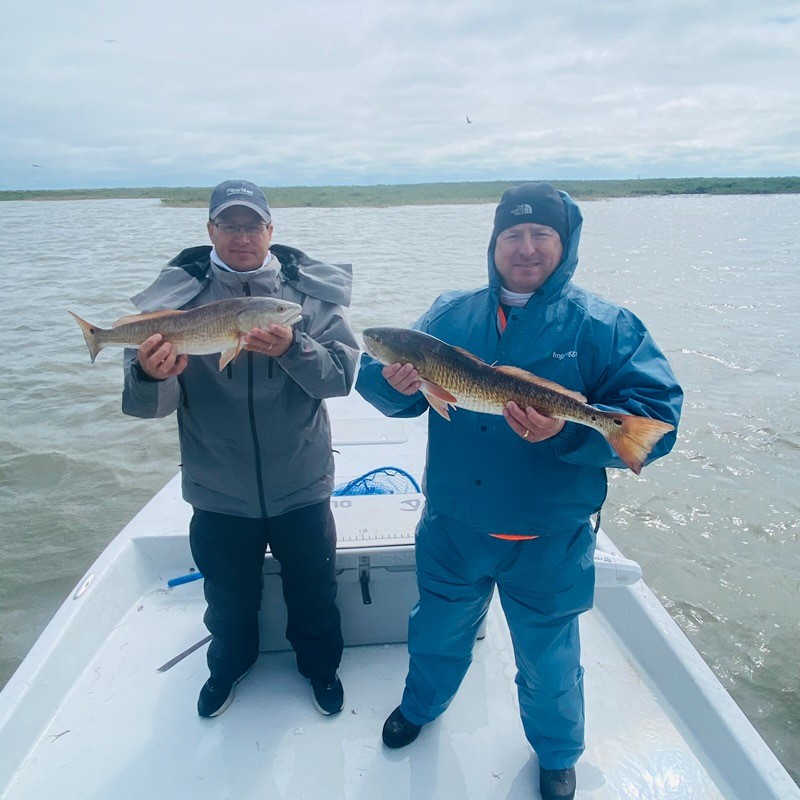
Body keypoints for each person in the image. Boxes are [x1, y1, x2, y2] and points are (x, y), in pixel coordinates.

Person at [356, 182, 682, 800]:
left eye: (541, 235)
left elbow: (656, 422)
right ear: (494, 243)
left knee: (550, 661)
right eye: (513, 234)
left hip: (550, 539)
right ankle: (421, 708)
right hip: (454, 526)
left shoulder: (606, 325)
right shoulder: (448, 315)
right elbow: (383, 387)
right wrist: (394, 385)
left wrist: (567, 433)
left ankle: (558, 755)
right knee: (437, 632)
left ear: (566, 244)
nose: (526, 247)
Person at [122, 180, 359, 719]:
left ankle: (320, 668)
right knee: (227, 602)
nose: (242, 236)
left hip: (301, 480)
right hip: (218, 489)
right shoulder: (175, 301)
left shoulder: (308, 298)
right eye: (229, 224)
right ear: (210, 231)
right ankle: (229, 666)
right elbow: (147, 408)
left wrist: (294, 348)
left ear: (271, 231)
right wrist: (147, 373)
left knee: (315, 593)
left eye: (253, 224)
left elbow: (341, 378)